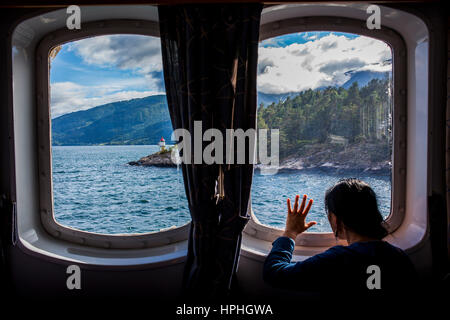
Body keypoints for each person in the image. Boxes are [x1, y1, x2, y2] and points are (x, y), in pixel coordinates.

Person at [263, 178, 417, 298]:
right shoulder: (399, 257)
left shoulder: (337, 260)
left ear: (336, 220)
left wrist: (290, 233)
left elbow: (274, 274)